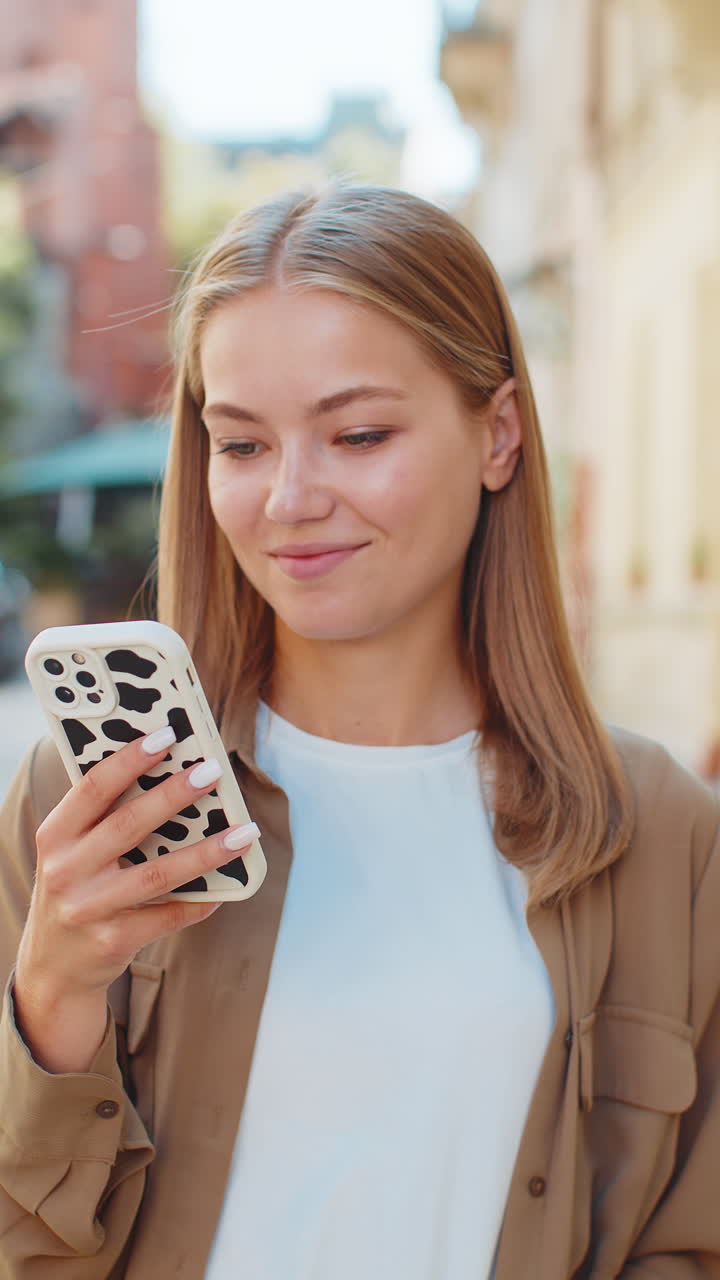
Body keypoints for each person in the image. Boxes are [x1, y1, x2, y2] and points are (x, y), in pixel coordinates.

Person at [0, 181, 718, 1280]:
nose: (290, 497)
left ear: (499, 434)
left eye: (359, 432)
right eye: (241, 444)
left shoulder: (663, 831)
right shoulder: (89, 796)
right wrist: (51, 1001)